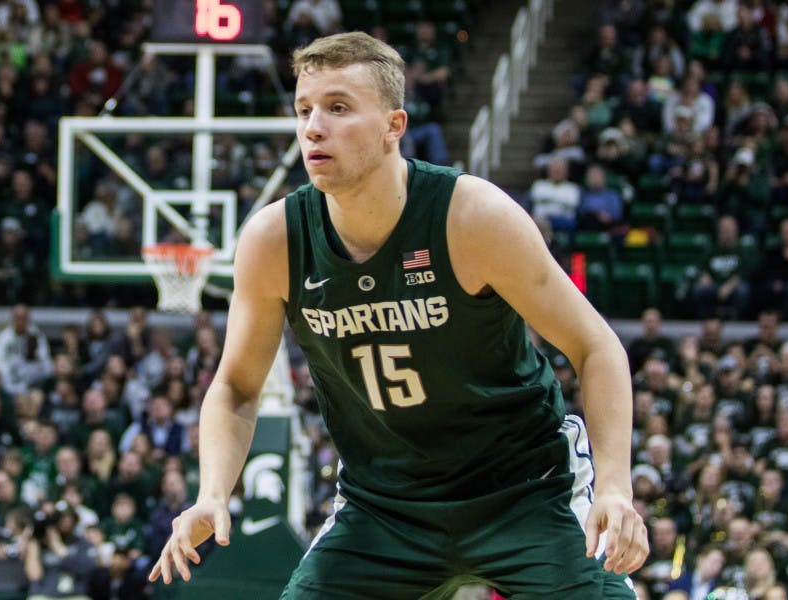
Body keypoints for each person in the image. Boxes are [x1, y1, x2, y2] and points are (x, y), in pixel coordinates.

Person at [149, 32, 648, 598]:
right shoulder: (274, 240)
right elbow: (237, 385)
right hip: (384, 507)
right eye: (304, 110)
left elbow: (597, 346)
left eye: (338, 108)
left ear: (394, 126)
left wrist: (613, 488)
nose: (314, 126)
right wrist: (212, 493)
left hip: (526, 490)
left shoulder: (472, 217)